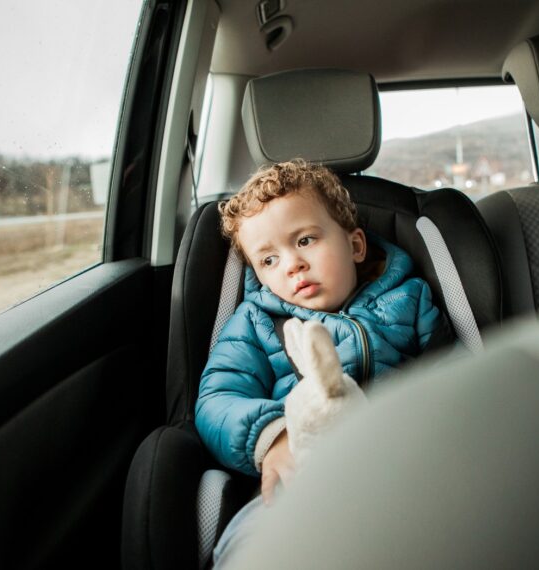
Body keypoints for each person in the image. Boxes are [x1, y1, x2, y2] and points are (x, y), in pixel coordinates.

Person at [195, 159, 454, 565]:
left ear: (354, 246)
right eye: (268, 260)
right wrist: (273, 439)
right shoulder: (255, 322)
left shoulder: (410, 297)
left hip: (401, 468)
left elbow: (450, 372)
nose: (292, 264)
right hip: (301, 477)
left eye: (304, 241)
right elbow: (218, 397)